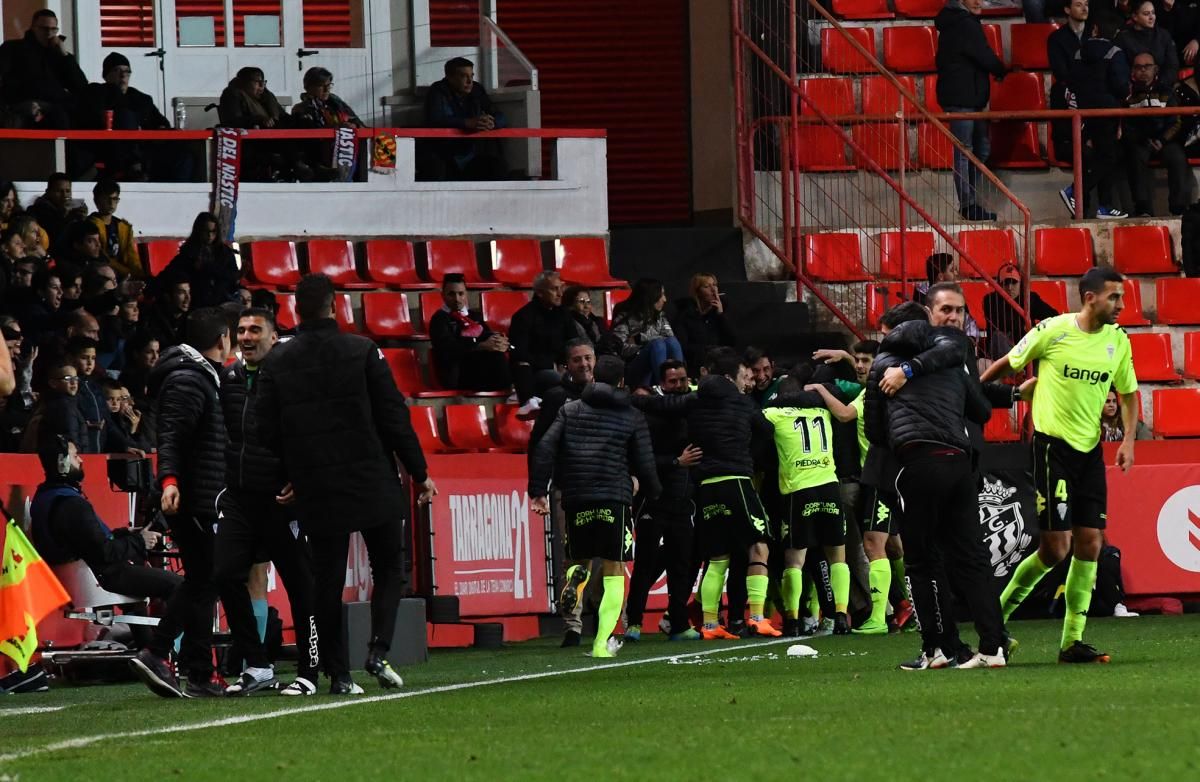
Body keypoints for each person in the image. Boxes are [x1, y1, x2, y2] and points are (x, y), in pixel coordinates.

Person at [256, 274, 437, 695]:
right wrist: (420, 471)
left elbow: (264, 430)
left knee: (327, 580)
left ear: (296, 309)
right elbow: (394, 416)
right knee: (390, 567)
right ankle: (379, 649)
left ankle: (336, 673)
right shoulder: (363, 351)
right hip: (371, 478)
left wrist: (288, 477)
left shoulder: (278, 363)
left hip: (318, 487)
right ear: (335, 306)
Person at [981, 267, 1139, 664]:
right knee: (1055, 549)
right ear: (1090, 298)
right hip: (1051, 448)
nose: (1121, 305)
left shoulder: (1117, 342)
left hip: (1090, 452)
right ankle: (993, 625)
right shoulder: (1052, 331)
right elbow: (1007, 363)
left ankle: (1072, 640)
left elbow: (1130, 394)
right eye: (1115, 297)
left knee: (1091, 543)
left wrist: (1130, 441)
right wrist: (971, 398)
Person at [865, 294, 1008, 670]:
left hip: (916, 463)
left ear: (891, 331)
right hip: (959, 462)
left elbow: (874, 428)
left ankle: (937, 649)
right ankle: (993, 648)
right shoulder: (951, 361)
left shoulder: (884, 363)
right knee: (973, 558)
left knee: (922, 560)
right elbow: (981, 410)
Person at [632, 349, 778, 640]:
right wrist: (749, 453)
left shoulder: (694, 401)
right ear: (729, 376)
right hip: (736, 479)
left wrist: (623, 396)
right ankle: (758, 617)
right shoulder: (742, 402)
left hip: (706, 486)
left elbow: (657, 405)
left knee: (718, 556)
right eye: (743, 376)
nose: (747, 382)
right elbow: (768, 429)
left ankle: (710, 625)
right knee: (760, 544)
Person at [216, 308, 321, 697]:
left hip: (280, 498)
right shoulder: (228, 378)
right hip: (241, 497)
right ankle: (258, 665)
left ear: (273, 337)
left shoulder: (290, 378)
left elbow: (311, 432)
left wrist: (301, 478)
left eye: (255, 330)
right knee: (225, 573)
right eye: (241, 330)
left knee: (299, 584)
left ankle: (311, 669)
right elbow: (227, 435)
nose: (246, 336)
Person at [530, 354, 660, 658]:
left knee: (579, 561)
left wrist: (538, 490)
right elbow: (645, 462)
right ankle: (601, 644)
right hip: (614, 498)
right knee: (615, 569)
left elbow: (544, 447)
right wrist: (654, 492)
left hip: (576, 498)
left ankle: (575, 585)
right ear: (622, 382)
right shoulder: (631, 414)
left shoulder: (569, 410)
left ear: (594, 378)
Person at [138, 307, 232, 697]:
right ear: (222, 339)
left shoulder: (199, 378)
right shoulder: (189, 381)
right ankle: (158, 651)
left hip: (199, 493)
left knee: (203, 581)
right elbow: (172, 437)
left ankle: (198, 671)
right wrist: (171, 481)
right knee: (203, 579)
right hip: (193, 497)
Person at [761, 369, 857, 636]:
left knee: (795, 561)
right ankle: (840, 617)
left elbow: (756, 423)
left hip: (799, 492)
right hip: (829, 488)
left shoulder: (774, 414)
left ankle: (791, 621)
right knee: (838, 557)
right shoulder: (823, 412)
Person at [624, 359, 703, 642]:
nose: (679, 385)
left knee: (682, 563)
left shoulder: (693, 410)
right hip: (653, 498)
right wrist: (675, 462)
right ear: (662, 383)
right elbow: (642, 459)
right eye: (673, 381)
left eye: (682, 380)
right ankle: (633, 622)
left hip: (683, 500)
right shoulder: (650, 415)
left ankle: (678, 623)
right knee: (645, 562)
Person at [527, 338, 596, 647]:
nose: (584, 364)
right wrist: (538, 488)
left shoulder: (610, 394)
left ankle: (610, 618)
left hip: (606, 485)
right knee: (574, 557)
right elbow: (540, 445)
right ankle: (573, 625)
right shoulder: (557, 398)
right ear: (566, 365)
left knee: (610, 557)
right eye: (578, 359)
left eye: (588, 358)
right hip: (569, 488)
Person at [935, 0, 1007, 221]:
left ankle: (970, 201)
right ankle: (968, 204)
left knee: (980, 150)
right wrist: (1001, 69)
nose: (979, 2)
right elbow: (983, 54)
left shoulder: (957, 22)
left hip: (970, 98)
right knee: (965, 152)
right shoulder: (965, 23)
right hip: (962, 98)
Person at [1062, 10, 1132, 219]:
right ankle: (1074, 190)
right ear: (1116, 32)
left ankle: (1105, 206)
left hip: (1085, 112)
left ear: (1094, 29)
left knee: (1101, 157)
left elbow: (1072, 81)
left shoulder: (1079, 52)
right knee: (1109, 157)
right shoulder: (1115, 52)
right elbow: (1120, 86)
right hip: (1107, 111)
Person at [80, 52, 175, 181]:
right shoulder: (96, 92)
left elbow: (161, 123)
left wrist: (160, 128)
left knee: (185, 155)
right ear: (106, 75)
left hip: (143, 149)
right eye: (117, 70)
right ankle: (131, 167)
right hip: (105, 147)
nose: (123, 75)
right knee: (126, 116)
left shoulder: (142, 99)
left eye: (127, 71)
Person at [1124, 52, 1191, 216]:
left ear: (1155, 69)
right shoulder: (1128, 95)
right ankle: (1142, 209)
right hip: (1141, 141)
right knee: (1134, 156)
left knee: (1177, 157)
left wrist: (1162, 140)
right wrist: (1142, 139)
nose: (1143, 70)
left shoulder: (1167, 92)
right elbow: (1126, 126)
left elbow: (1176, 121)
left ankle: (1178, 209)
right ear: (1133, 70)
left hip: (1165, 140)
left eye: (1147, 66)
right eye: (1138, 67)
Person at [420, 57, 509, 181]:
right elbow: (436, 120)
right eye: (463, 76)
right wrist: (468, 123)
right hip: (444, 154)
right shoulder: (437, 90)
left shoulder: (477, 89)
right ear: (449, 77)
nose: (470, 81)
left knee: (497, 166)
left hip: (470, 155)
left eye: (471, 76)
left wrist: (491, 123)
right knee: (435, 168)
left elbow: (500, 116)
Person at [0, 10, 88, 129]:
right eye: (44, 29)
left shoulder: (60, 56)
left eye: (53, 29)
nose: (49, 33)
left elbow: (81, 86)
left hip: (56, 107)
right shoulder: (13, 49)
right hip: (24, 104)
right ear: (33, 28)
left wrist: (65, 55)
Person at [219, 67, 308, 182]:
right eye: (257, 82)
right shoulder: (233, 94)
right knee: (278, 128)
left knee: (303, 123)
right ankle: (297, 164)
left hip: (273, 137)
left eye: (264, 82)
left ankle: (316, 164)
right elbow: (232, 121)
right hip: (253, 140)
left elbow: (283, 117)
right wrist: (258, 119)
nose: (262, 86)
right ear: (244, 82)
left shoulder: (266, 96)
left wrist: (300, 118)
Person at [428, 273, 512, 391]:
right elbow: (448, 349)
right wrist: (480, 346)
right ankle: (510, 387)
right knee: (496, 356)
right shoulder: (439, 319)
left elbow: (486, 335)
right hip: (457, 373)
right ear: (443, 295)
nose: (457, 299)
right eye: (451, 294)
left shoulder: (474, 316)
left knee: (505, 351)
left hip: (479, 368)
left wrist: (499, 341)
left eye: (461, 294)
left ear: (466, 294)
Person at [508, 270, 575, 414]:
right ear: (539, 293)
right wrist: (551, 364)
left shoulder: (563, 313)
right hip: (536, 371)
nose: (560, 294)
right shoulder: (523, 316)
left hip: (564, 367)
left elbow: (573, 342)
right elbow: (520, 354)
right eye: (554, 289)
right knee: (556, 378)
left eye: (561, 288)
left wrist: (566, 363)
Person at [291, 66, 364, 180]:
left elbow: (356, 121)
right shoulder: (301, 109)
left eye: (329, 85)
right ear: (308, 87)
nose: (327, 90)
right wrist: (337, 128)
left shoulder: (336, 103)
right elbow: (312, 136)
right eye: (321, 86)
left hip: (348, 151)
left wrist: (354, 125)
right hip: (319, 157)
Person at [610, 278, 683, 388]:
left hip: (656, 363)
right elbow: (619, 348)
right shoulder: (625, 316)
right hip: (633, 367)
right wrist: (645, 348)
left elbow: (669, 338)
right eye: (661, 295)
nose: (665, 299)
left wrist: (640, 338)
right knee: (657, 345)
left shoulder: (660, 316)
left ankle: (680, 382)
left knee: (672, 342)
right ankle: (663, 387)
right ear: (651, 297)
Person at [158, 213, 241, 309]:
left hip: (221, 300)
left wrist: (208, 268)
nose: (210, 235)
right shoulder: (189, 252)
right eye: (206, 231)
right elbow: (171, 272)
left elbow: (232, 276)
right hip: (198, 302)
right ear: (199, 231)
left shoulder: (225, 252)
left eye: (213, 231)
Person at [983, 263, 1060, 358]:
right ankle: (1016, 369)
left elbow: (1054, 316)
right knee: (999, 337)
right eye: (1005, 283)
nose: (1010, 287)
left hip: (1025, 345)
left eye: (1014, 282)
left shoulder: (1030, 298)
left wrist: (1038, 329)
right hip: (1002, 349)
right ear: (999, 284)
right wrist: (1026, 326)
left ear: (1021, 283)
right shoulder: (990, 300)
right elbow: (1002, 325)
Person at [1048, 0, 1091, 164]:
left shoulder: (1096, 35)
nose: (1085, 8)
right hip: (1071, 95)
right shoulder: (1056, 39)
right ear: (1067, 9)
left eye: (1086, 4)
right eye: (1079, 4)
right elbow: (1061, 72)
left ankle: (1075, 191)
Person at [674, 272, 736, 378]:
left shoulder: (720, 311)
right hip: (697, 361)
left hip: (720, 359)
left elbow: (732, 341)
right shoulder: (685, 315)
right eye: (707, 287)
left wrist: (721, 315)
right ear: (697, 292)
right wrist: (706, 350)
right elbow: (683, 345)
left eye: (715, 285)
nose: (714, 290)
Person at [912, 253, 982, 344]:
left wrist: (969, 340)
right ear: (941, 276)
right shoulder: (921, 300)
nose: (956, 273)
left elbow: (969, 324)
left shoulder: (956, 296)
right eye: (952, 270)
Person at [86, 180, 142, 278]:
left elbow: (131, 256)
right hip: (98, 273)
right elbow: (100, 256)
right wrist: (126, 272)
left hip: (122, 274)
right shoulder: (90, 224)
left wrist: (138, 274)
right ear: (96, 200)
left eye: (115, 199)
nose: (111, 203)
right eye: (106, 199)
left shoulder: (124, 227)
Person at [1120, 0, 1180, 88]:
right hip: (1132, 91)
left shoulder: (1164, 35)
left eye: (1153, 13)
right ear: (1135, 16)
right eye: (1146, 13)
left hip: (1161, 88)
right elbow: (1120, 69)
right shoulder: (1123, 38)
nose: (1152, 17)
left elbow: (1172, 65)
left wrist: (1159, 84)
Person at [27, 173, 88, 255]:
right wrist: (63, 216)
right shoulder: (36, 211)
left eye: (68, 191)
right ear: (48, 192)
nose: (65, 195)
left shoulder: (74, 211)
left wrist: (83, 219)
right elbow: (52, 241)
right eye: (59, 191)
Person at [146, 278, 191, 348]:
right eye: (181, 293)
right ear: (168, 296)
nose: (188, 297)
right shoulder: (153, 320)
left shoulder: (192, 320)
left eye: (189, 292)